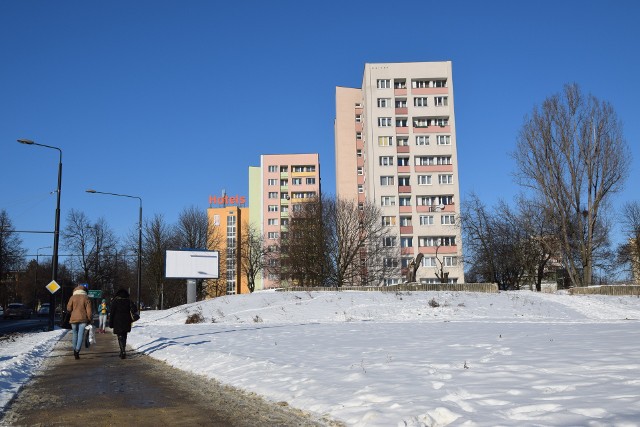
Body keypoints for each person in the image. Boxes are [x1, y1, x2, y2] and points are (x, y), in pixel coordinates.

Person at [66, 284, 93, 360]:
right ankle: (77, 351)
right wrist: (90, 319)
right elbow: (89, 311)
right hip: (83, 319)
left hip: (73, 318)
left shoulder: (72, 297)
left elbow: (68, 308)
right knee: (80, 334)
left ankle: (75, 350)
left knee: (75, 334)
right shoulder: (86, 298)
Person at [109, 288, 137, 359]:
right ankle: (123, 350)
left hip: (117, 321)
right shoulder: (129, 301)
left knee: (120, 336)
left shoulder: (115, 301)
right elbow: (135, 309)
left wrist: (111, 323)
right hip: (127, 320)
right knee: (124, 335)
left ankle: (122, 351)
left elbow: (112, 313)